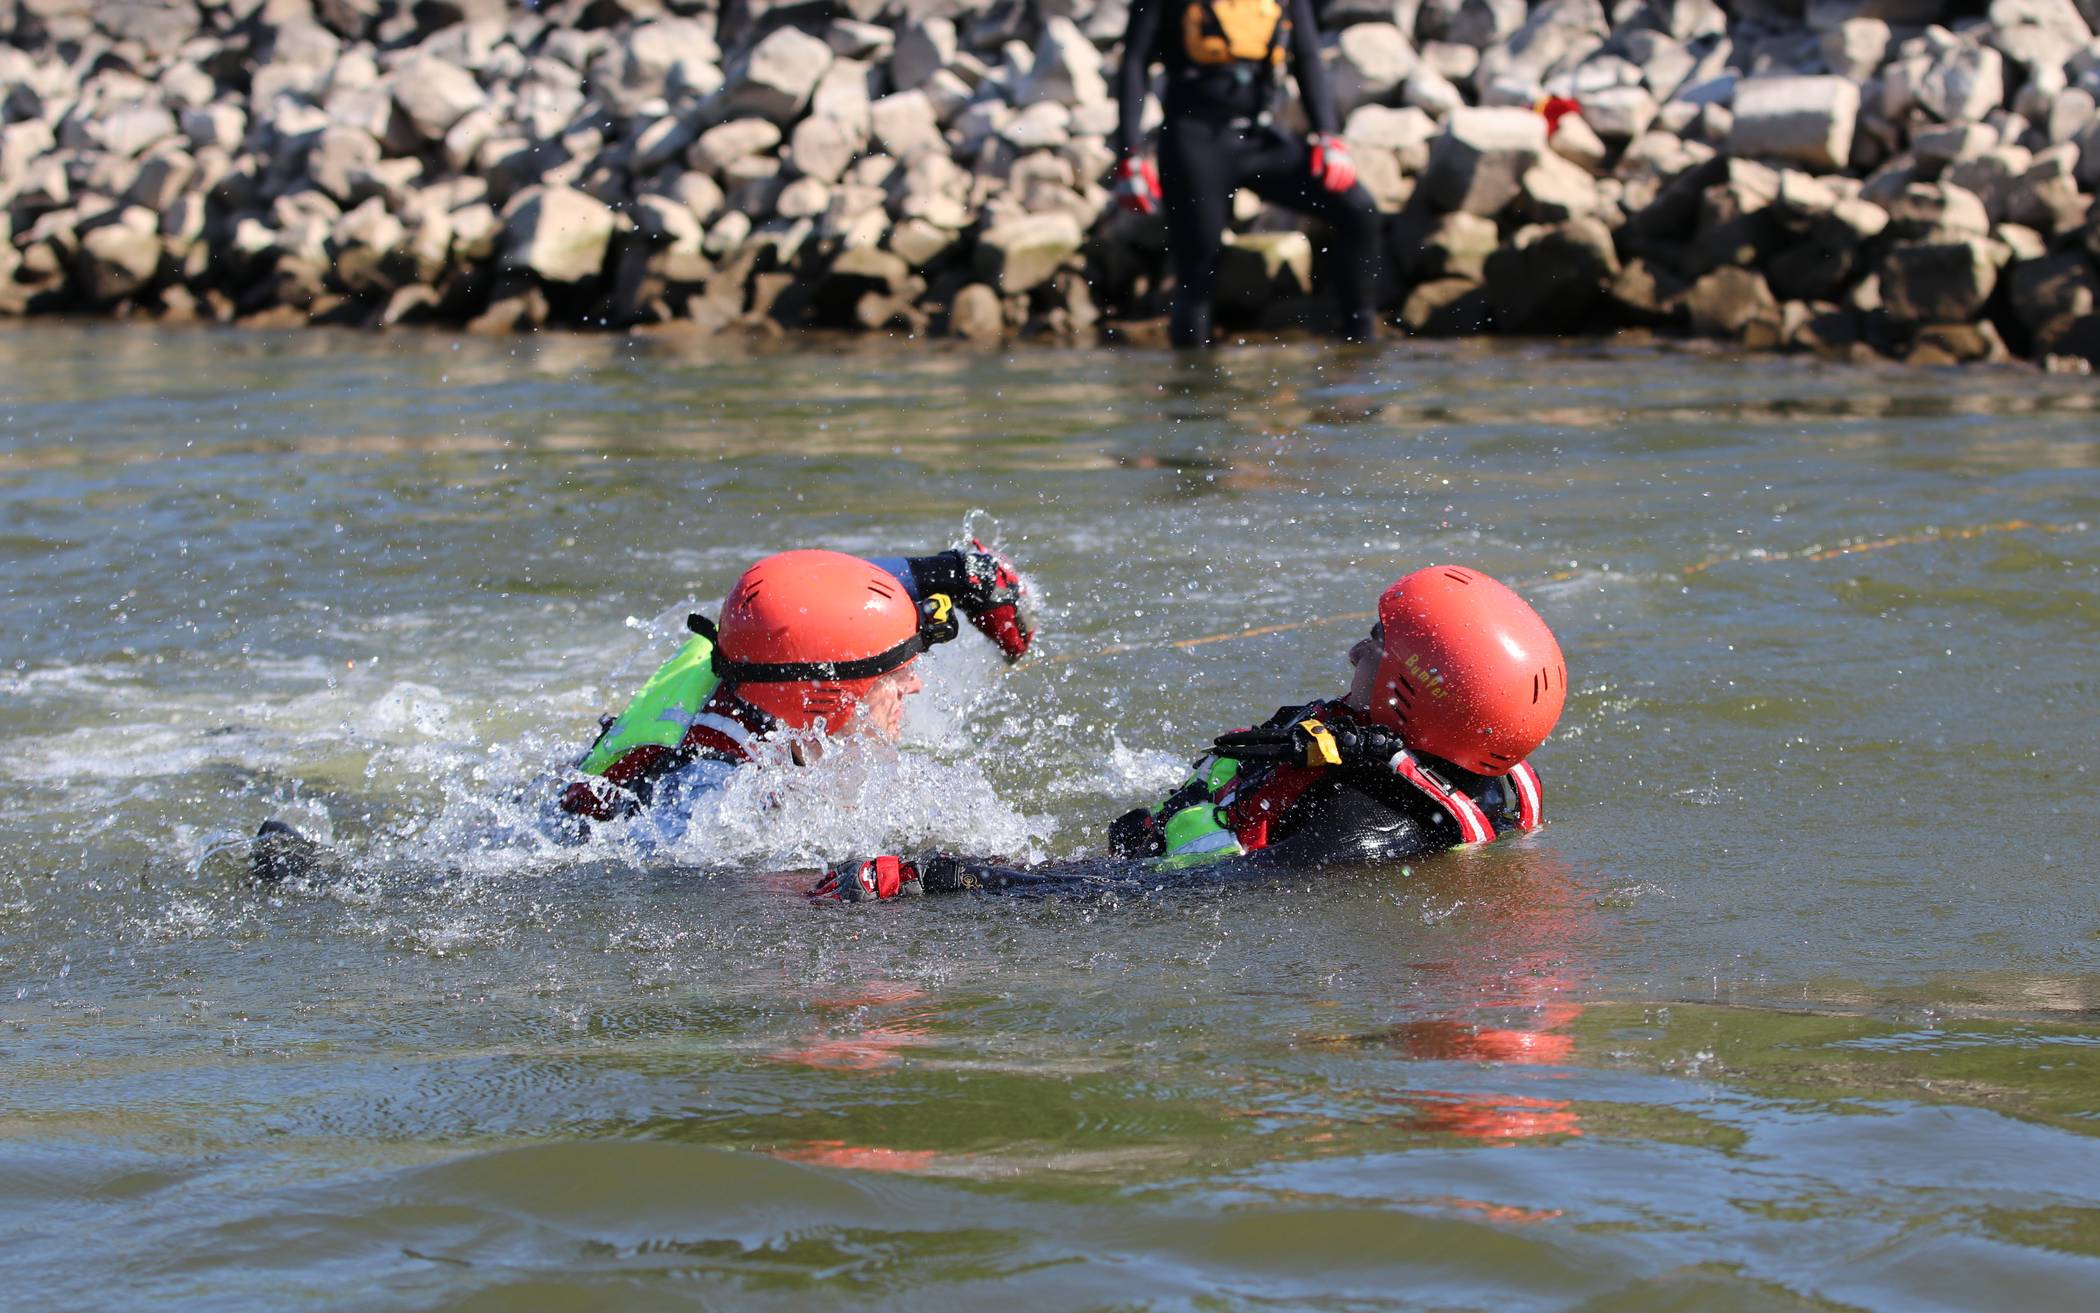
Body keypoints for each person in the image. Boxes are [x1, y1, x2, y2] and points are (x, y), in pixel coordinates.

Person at [252, 543, 1032, 881]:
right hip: (559, 843)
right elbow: (704, 886)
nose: (918, 687)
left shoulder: (769, 664)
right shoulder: (714, 800)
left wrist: (943, 572)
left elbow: (811, 590)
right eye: (901, 673)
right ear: (826, 696)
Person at [813, 564, 1564, 900]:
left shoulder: (1353, 828)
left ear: (1410, 696)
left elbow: (1160, 895)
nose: (1356, 650)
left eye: (1376, 640)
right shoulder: (1481, 774)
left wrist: (944, 878)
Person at [1112, 0, 1382, 348]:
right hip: (1194, 140)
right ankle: (1194, 389)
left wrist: (1328, 136)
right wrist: (1129, 155)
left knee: (1357, 209)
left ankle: (1359, 351)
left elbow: (1308, 56)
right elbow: (1134, 61)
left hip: (1262, 138)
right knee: (1198, 270)